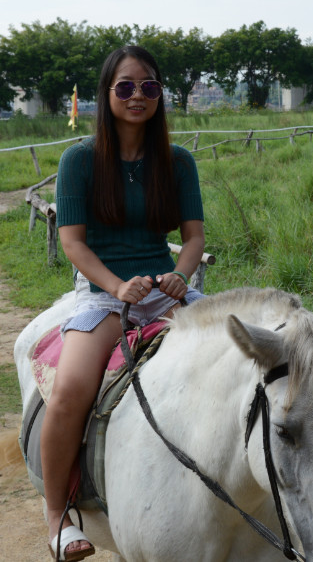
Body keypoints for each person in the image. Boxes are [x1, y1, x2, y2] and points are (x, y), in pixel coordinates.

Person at [41, 45, 205, 561]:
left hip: (164, 291)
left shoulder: (177, 162)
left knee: (234, 363)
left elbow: (194, 238)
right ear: (106, 94)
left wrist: (180, 275)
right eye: (127, 87)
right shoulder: (80, 160)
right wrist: (115, 288)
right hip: (102, 293)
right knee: (70, 391)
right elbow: (74, 243)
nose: (139, 96)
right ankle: (57, 515)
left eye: (150, 87)